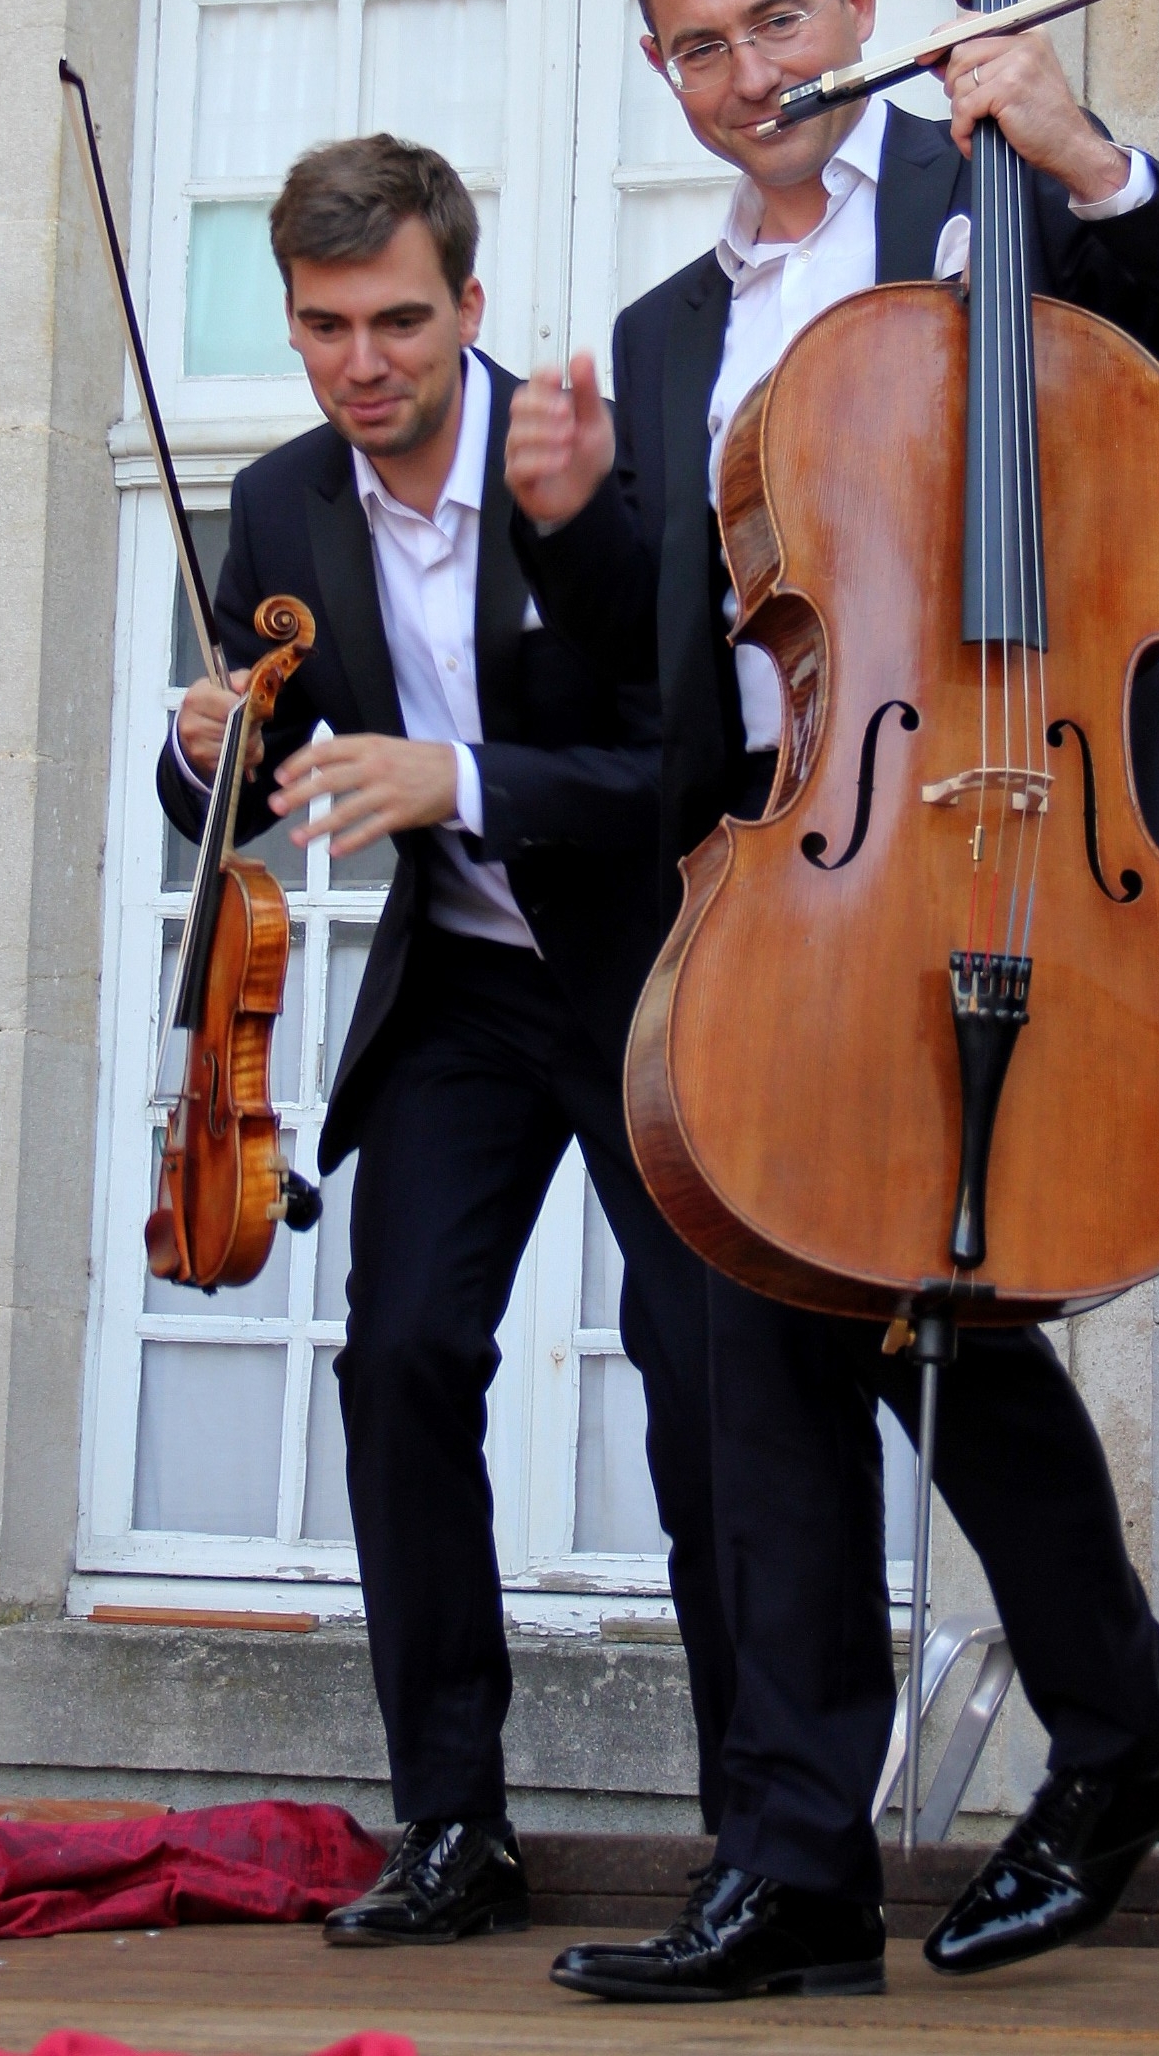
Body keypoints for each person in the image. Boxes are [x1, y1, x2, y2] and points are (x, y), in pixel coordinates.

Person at [503, 0, 1159, 2003]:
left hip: (1036, 841)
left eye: (778, 18)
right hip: (816, 866)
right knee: (780, 1304)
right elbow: (711, 670)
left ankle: (1039, 1765)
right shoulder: (682, 330)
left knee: (936, 1305)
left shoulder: (985, 187)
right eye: (698, 43)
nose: (748, 74)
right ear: (660, 67)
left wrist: (1083, 148)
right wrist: (587, 540)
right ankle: (836, 1847)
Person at [158, 135, 734, 1946]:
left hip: (656, 980)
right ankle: (452, 1822)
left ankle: (761, 1835)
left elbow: (689, 767)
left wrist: (462, 777)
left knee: (706, 1375)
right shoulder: (276, 511)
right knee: (400, 1352)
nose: (362, 361)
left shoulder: (589, 477)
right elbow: (232, 808)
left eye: (399, 319)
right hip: (468, 990)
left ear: (467, 308)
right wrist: (206, 753)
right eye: (325, 326)